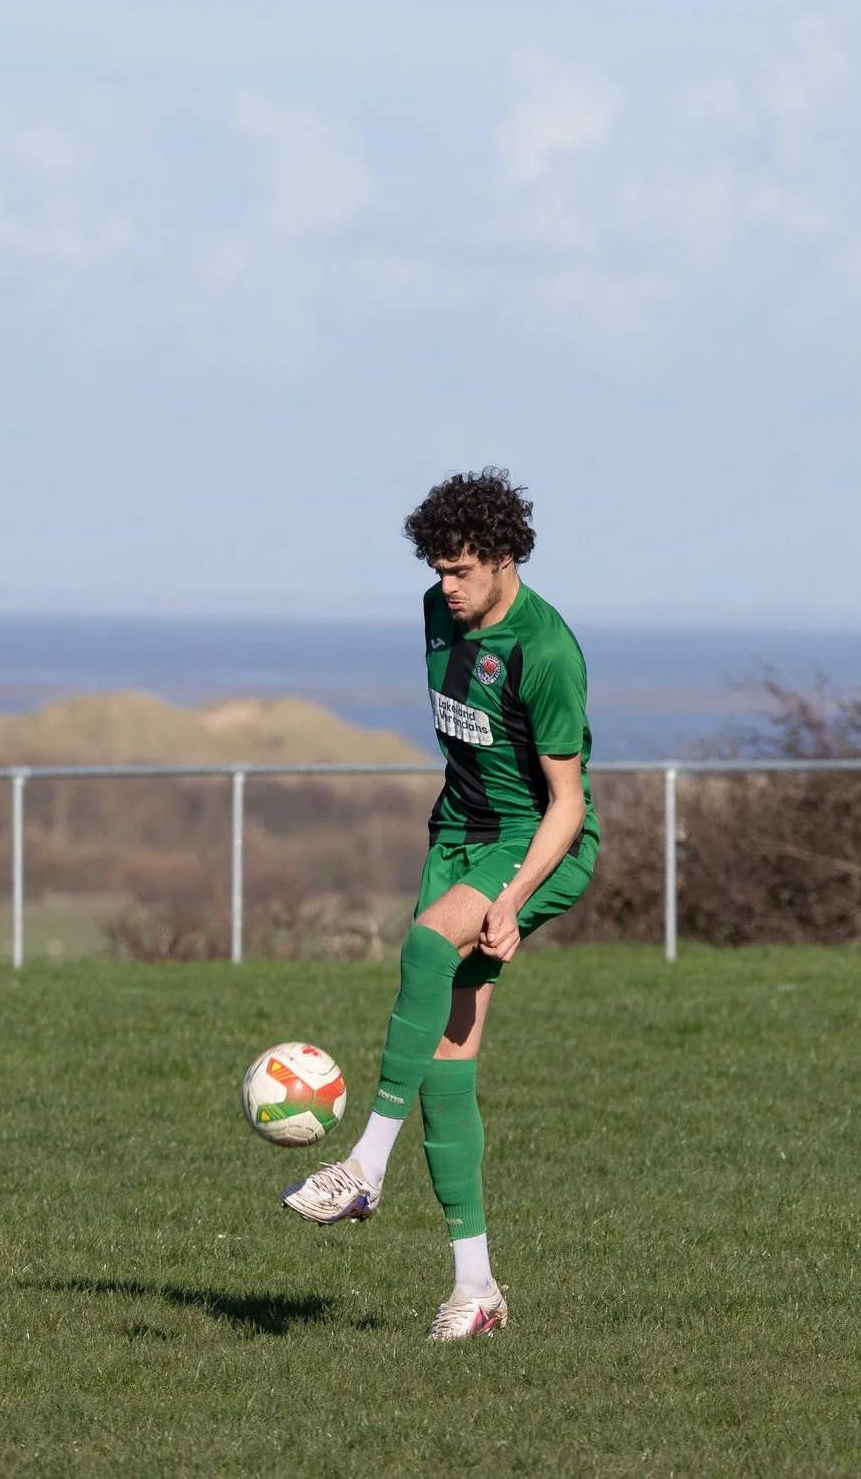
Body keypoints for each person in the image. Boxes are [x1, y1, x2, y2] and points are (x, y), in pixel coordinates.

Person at [280, 469, 600, 1341]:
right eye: (437, 569)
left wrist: (516, 898)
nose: (445, 587)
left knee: (424, 949)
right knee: (448, 1070)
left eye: (461, 570)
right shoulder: (438, 610)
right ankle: (478, 1290)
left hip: (531, 840)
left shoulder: (548, 652)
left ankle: (365, 1166)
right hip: (455, 838)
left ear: (503, 557)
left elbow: (568, 805)